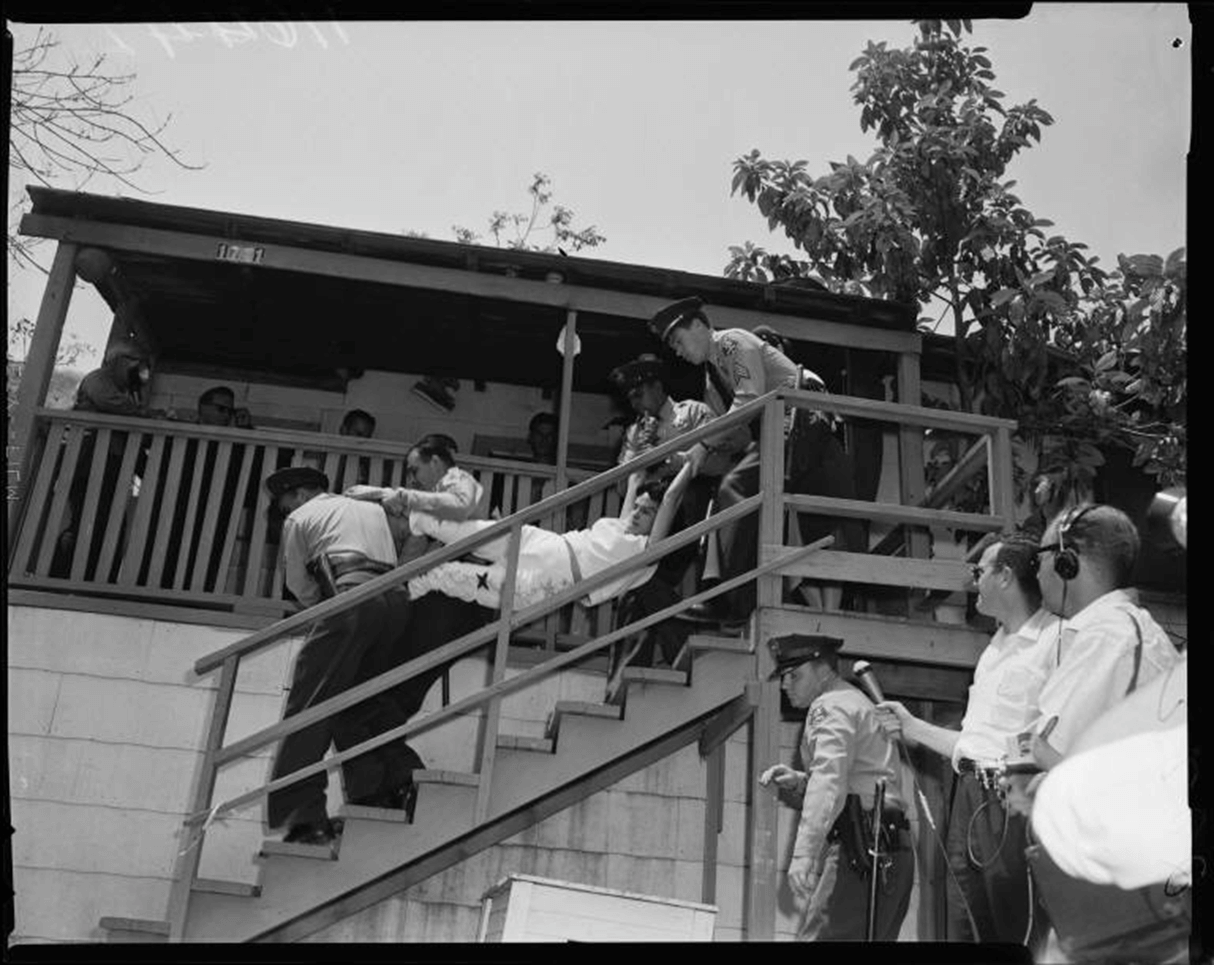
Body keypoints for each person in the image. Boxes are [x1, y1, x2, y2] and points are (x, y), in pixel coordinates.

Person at [873, 533, 1056, 946]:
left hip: (1015, 795)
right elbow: (973, 744)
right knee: (965, 922)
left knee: (1016, 926)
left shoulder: (1055, 640)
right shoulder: (993, 651)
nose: (974, 582)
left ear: (1005, 576)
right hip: (970, 793)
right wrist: (912, 727)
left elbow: (1060, 732)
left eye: (979, 571)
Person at [264, 466, 420, 845]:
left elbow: (299, 585)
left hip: (350, 596)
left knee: (310, 705)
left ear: (300, 496)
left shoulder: (301, 517)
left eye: (285, 505)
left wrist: (327, 612)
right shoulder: (370, 508)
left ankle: (303, 817)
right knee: (360, 701)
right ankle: (392, 785)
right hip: (395, 604)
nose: (287, 512)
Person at [648, 295, 826, 622]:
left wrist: (703, 445)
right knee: (724, 496)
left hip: (802, 418)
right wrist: (690, 458)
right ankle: (726, 596)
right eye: (673, 346)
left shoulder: (731, 342)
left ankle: (732, 600)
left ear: (699, 326)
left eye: (678, 340)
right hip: (776, 432)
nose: (677, 351)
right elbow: (737, 434)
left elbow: (747, 400)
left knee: (735, 488)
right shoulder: (711, 379)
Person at [758, 634, 913, 941]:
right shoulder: (855, 701)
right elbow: (855, 777)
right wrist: (803, 782)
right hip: (892, 849)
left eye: (794, 675)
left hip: (863, 849)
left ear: (823, 671)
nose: (785, 684)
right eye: (784, 677)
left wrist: (804, 854)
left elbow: (829, 782)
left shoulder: (830, 706)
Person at [1017, 504, 1181, 774]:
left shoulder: (1110, 636)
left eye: (1039, 560)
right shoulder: (1112, 629)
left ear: (1066, 562)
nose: (1036, 574)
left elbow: (1048, 752)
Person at [404, 461, 695, 611]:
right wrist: (643, 461)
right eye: (638, 507)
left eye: (647, 512)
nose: (636, 513)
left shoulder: (647, 552)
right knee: (474, 532)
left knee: (451, 577)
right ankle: (417, 518)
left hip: (550, 581)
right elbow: (635, 479)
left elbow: (670, 499)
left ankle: (409, 588)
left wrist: (691, 464)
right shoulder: (621, 528)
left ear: (661, 523)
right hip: (548, 544)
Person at [608, 353, 745, 667]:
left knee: (641, 582)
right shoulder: (634, 432)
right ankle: (645, 663)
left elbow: (724, 458)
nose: (636, 403)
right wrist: (637, 456)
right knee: (636, 587)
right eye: (630, 398)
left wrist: (679, 461)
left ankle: (664, 656)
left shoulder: (694, 412)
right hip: (647, 516)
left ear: (657, 387)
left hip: (689, 510)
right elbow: (621, 488)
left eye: (639, 394)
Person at [750, 324, 866, 610]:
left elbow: (819, 423)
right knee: (802, 545)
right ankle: (821, 612)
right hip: (796, 471)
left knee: (830, 539)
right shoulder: (762, 385)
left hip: (822, 462)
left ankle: (830, 612)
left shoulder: (803, 376)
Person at [50, 338, 162, 577]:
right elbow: (113, 404)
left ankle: (98, 578)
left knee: (111, 524)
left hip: (112, 467)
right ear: (121, 361)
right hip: (88, 464)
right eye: (138, 364)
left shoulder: (129, 393)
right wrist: (149, 415)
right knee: (87, 521)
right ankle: (62, 574)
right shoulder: (98, 379)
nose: (141, 372)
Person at [345, 435, 485, 523]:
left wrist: (403, 496)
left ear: (435, 463)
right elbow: (351, 491)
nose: (412, 480)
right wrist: (383, 494)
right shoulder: (435, 493)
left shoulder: (461, 479)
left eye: (415, 471)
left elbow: (460, 507)